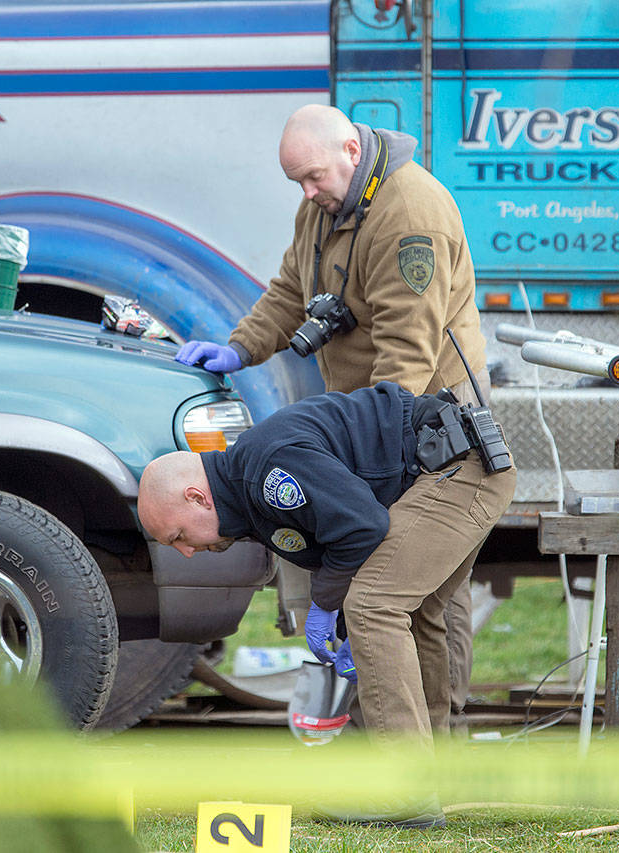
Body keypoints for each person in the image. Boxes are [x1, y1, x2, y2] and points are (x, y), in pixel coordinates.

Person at [175, 103, 489, 712]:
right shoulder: (327, 204)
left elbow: (407, 351)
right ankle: (393, 742)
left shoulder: (410, 216)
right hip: (372, 428)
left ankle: (438, 749)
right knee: (387, 595)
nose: (308, 191)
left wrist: (375, 459)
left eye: (313, 176)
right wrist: (241, 349)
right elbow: (294, 289)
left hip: (428, 435)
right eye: (297, 181)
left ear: (352, 151)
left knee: (423, 602)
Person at [137, 382, 516, 827]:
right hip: (460, 466)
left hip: (456, 467)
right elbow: (341, 541)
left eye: (178, 536)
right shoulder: (248, 484)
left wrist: (327, 603)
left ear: (197, 498)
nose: (185, 551)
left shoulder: (266, 470)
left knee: (374, 608)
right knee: (414, 613)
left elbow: (362, 526)